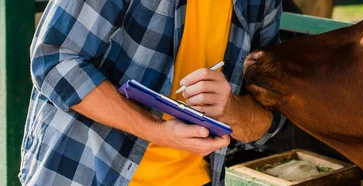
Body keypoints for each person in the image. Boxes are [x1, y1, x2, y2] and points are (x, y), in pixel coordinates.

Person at [20, 0, 286, 185]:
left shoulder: (263, 3)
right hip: (85, 174)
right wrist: (157, 131)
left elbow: (269, 124)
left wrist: (232, 110)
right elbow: (54, 61)